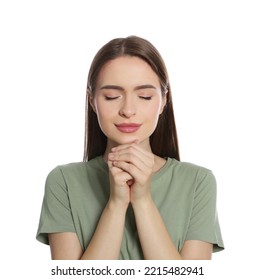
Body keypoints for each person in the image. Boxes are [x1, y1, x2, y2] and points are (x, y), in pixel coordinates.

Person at [36, 36, 224, 260]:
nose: (128, 110)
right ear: (92, 101)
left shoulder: (197, 183)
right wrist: (116, 204)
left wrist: (143, 200)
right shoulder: (64, 181)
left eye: (144, 96)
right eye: (111, 96)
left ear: (164, 100)